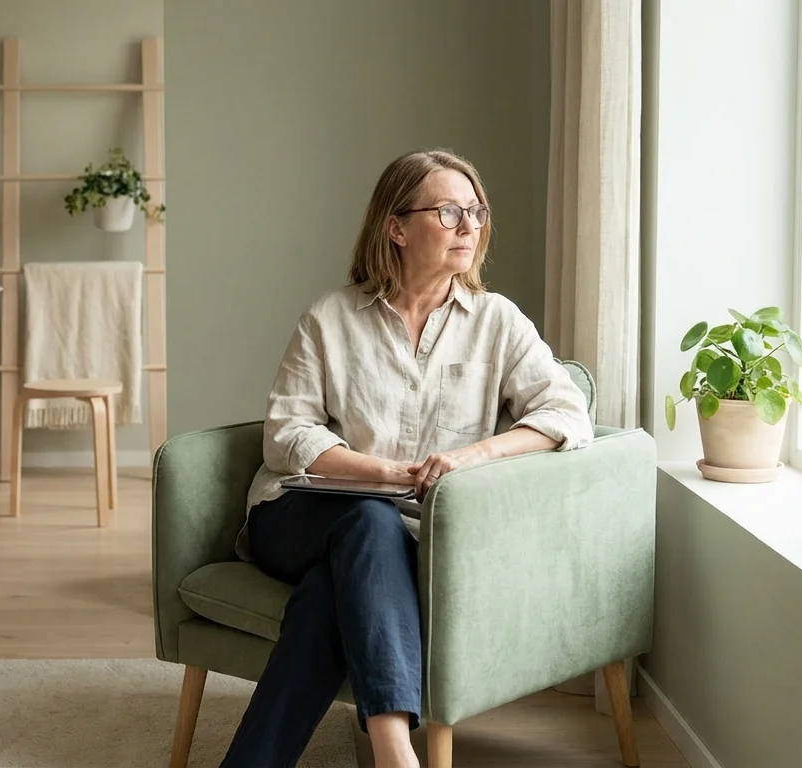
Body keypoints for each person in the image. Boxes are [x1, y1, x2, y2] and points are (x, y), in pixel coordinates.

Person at [219, 148, 595, 768]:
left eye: (475, 211)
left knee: (325, 597)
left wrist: (472, 456)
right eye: (449, 212)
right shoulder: (330, 318)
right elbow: (287, 434)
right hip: (297, 515)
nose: (470, 226)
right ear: (396, 228)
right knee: (368, 518)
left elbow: (565, 413)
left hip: (407, 536)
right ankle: (397, 753)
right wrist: (387, 474)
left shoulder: (497, 321)